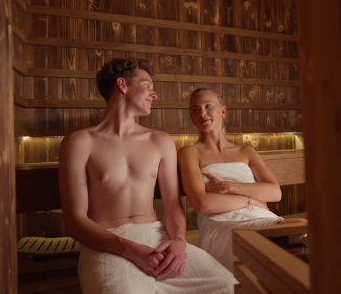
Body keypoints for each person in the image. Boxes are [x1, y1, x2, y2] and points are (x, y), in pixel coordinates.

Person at [59, 58, 235, 293]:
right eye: (147, 85)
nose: (155, 94)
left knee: (226, 284)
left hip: (157, 237)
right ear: (122, 85)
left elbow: (173, 206)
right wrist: (130, 249)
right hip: (106, 241)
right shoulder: (80, 142)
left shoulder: (160, 141)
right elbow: (75, 222)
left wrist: (179, 242)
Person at [178, 87, 307, 271]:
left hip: (260, 216)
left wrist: (226, 186)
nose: (202, 113)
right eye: (195, 109)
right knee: (280, 248)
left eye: (208, 106)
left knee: (302, 228)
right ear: (192, 118)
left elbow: (274, 192)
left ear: (223, 111)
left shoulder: (246, 151)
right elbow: (202, 204)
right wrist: (251, 200)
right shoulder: (189, 153)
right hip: (222, 224)